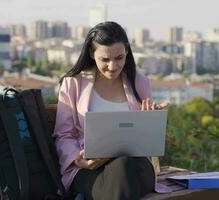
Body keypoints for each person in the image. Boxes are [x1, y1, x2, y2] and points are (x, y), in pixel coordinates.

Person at [53, 21, 169, 200]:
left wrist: (149, 120)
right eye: (105, 60)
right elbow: (64, 134)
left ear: (127, 51)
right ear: (92, 54)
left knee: (123, 166)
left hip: (134, 166)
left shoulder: (139, 82)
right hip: (88, 168)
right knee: (119, 183)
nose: (113, 66)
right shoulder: (74, 83)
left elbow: (146, 141)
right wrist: (78, 159)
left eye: (119, 58)